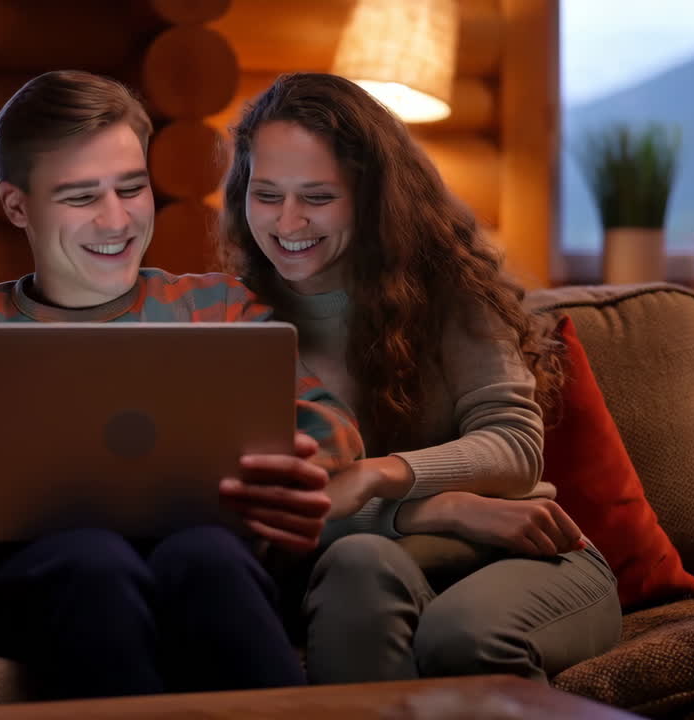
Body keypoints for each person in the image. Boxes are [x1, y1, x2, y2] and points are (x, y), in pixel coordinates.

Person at [0, 70, 362, 700]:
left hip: (198, 562)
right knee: (91, 557)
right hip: (19, 591)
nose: (116, 221)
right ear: (17, 204)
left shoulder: (217, 309)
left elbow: (330, 430)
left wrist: (289, 466)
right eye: (81, 198)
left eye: (131, 189)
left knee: (205, 555)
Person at [218, 72, 623, 683]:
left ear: (373, 196)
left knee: (462, 636)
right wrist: (440, 509)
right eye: (267, 195)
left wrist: (377, 476)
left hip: (524, 551)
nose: (288, 222)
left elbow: (516, 448)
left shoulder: (448, 289)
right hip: (374, 561)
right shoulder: (235, 315)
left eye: (319, 197)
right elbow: (267, 515)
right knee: (358, 563)